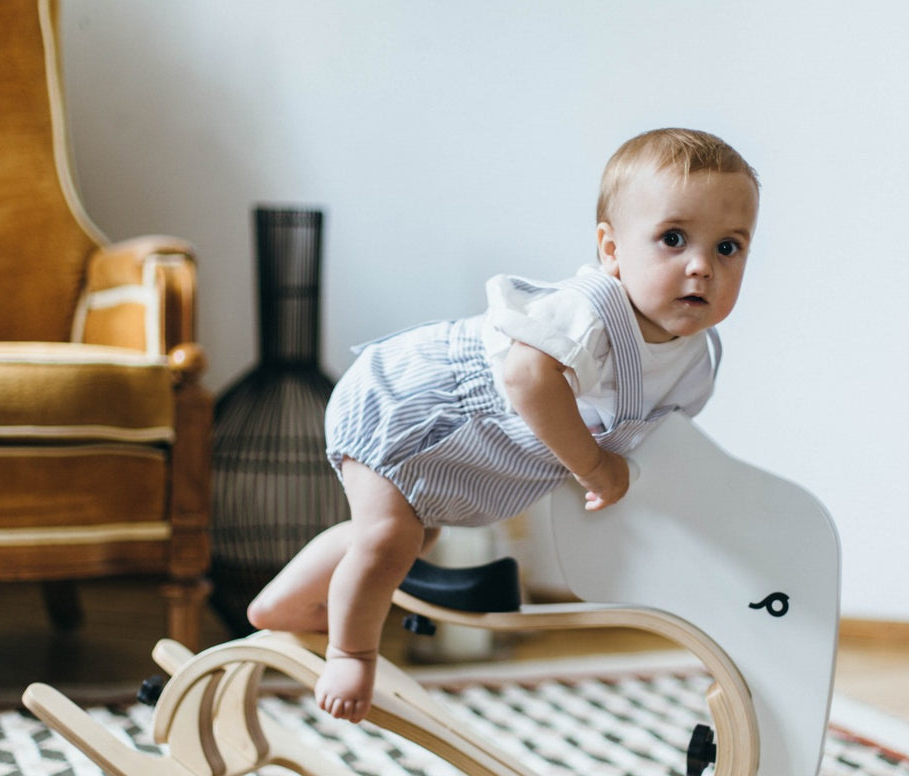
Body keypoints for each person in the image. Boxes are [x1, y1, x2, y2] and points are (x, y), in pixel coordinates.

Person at [247, 127, 760, 723]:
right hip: (416, 403)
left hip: (467, 453)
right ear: (612, 250)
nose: (701, 267)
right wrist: (594, 468)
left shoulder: (696, 361)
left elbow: (660, 445)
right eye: (673, 239)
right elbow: (526, 379)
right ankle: (351, 651)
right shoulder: (589, 310)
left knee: (409, 534)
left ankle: (282, 605)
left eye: (729, 248)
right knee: (391, 538)